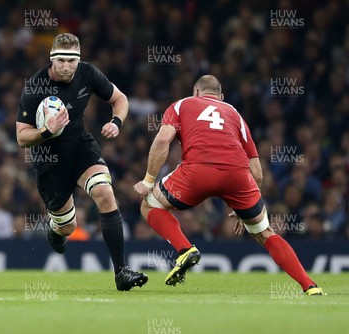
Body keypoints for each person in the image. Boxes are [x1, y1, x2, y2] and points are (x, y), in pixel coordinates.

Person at [133, 75, 325, 295]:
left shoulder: (182, 104)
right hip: (238, 176)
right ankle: (309, 285)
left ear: (196, 92)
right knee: (264, 233)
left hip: (197, 171)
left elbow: (162, 139)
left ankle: (185, 249)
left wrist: (148, 180)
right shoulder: (235, 114)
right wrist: (242, 207)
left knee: (149, 205)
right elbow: (257, 171)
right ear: (221, 97)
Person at [16, 33, 147, 291]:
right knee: (67, 227)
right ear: (52, 59)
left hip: (80, 148)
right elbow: (21, 138)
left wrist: (116, 122)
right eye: (61, 60)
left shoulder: (88, 73)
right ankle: (56, 229)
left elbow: (119, 99)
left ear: (79, 60)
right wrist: (47, 131)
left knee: (105, 193)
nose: (67, 66)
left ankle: (121, 272)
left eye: (72, 60)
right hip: (49, 160)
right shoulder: (34, 86)